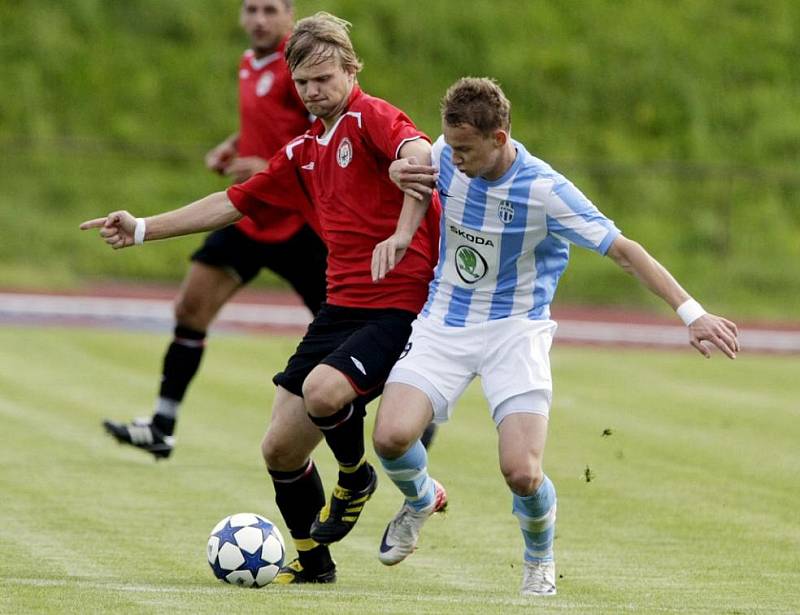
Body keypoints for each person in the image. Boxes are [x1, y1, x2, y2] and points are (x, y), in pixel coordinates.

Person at [81, 12, 441, 585]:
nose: (313, 91)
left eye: (324, 77)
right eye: (303, 82)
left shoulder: (370, 117)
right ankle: (314, 563)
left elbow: (418, 147)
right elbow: (232, 201)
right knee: (279, 448)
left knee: (325, 392)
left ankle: (355, 476)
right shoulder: (303, 150)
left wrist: (407, 182)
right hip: (340, 307)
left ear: (352, 70)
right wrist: (144, 227)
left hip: (401, 305)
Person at [369, 77, 740, 596]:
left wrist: (691, 313)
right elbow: (418, 179)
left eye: (465, 149)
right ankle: (421, 497)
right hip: (445, 321)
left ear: (499, 139)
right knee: (388, 438)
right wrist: (397, 182)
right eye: (449, 146)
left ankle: (539, 558)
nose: (453, 159)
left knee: (521, 472)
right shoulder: (445, 153)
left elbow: (625, 251)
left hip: (515, 334)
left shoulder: (545, 190)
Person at [102, 0, 327, 461]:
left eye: (270, 9)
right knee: (190, 307)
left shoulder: (301, 68)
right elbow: (267, 121)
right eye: (251, 9)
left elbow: (323, 135)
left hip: (298, 222)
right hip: (249, 219)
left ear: (290, 13)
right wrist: (232, 146)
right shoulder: (250, 61)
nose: (259, 19)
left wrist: (268, 166)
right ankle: (162, 425)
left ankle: (414, 416)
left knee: (348, 331)